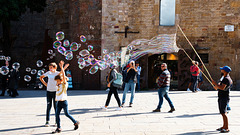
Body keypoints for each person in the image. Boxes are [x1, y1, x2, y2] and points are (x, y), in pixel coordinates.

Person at [52, 61, 79, 133]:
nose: (56, 83)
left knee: (66, 114)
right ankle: (59, 128)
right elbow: (58, 75)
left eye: (57, 81)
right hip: (58, 102)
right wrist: (63, 67)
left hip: (64, 102)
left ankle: (75, 122)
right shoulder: (57, 85)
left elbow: (63, 75)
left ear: (61, 81)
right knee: (57, 115)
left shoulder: (64, 85)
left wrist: (62, 68)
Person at [211, 66, 232, 133]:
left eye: (222, 69)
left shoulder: (226, 79)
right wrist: (216, 86)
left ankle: (226, 128)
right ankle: (224, 126)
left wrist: (215, 84)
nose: (221, 70)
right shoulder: (225, 78)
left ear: (225, 71)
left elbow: (222, 88)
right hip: (223, 96)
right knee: (222, 112)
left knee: (223, 113)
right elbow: (221, 86)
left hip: (224, 97)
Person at [40, 62, 60, 127]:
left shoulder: (57, 73)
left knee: (56, 107)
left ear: (55, 68)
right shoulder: (48, 73)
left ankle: (56, 121)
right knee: (49, 106)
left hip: (55, 92)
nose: (50, 69)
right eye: (49, 68)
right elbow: (41, 77)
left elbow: (63, 78)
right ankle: (47, 121)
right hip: (49, 91)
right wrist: (45, 84)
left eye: (51, 67)